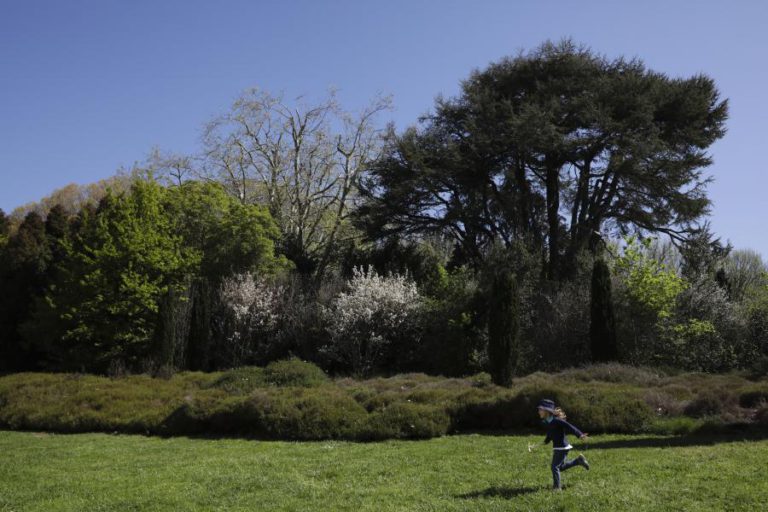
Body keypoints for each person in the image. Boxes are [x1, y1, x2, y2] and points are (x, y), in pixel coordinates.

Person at [537, 398, 590, 490]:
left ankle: (557, 488)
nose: (538, 411)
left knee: (554, 467)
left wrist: (579, 434)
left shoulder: (557, 420)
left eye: (540, 409)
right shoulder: (547, 422)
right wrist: (546, 441)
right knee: (559, 467)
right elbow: (551, 433)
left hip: (562, 447)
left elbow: (569, 426)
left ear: (547, 411)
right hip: (558, 447)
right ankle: (578, 461)